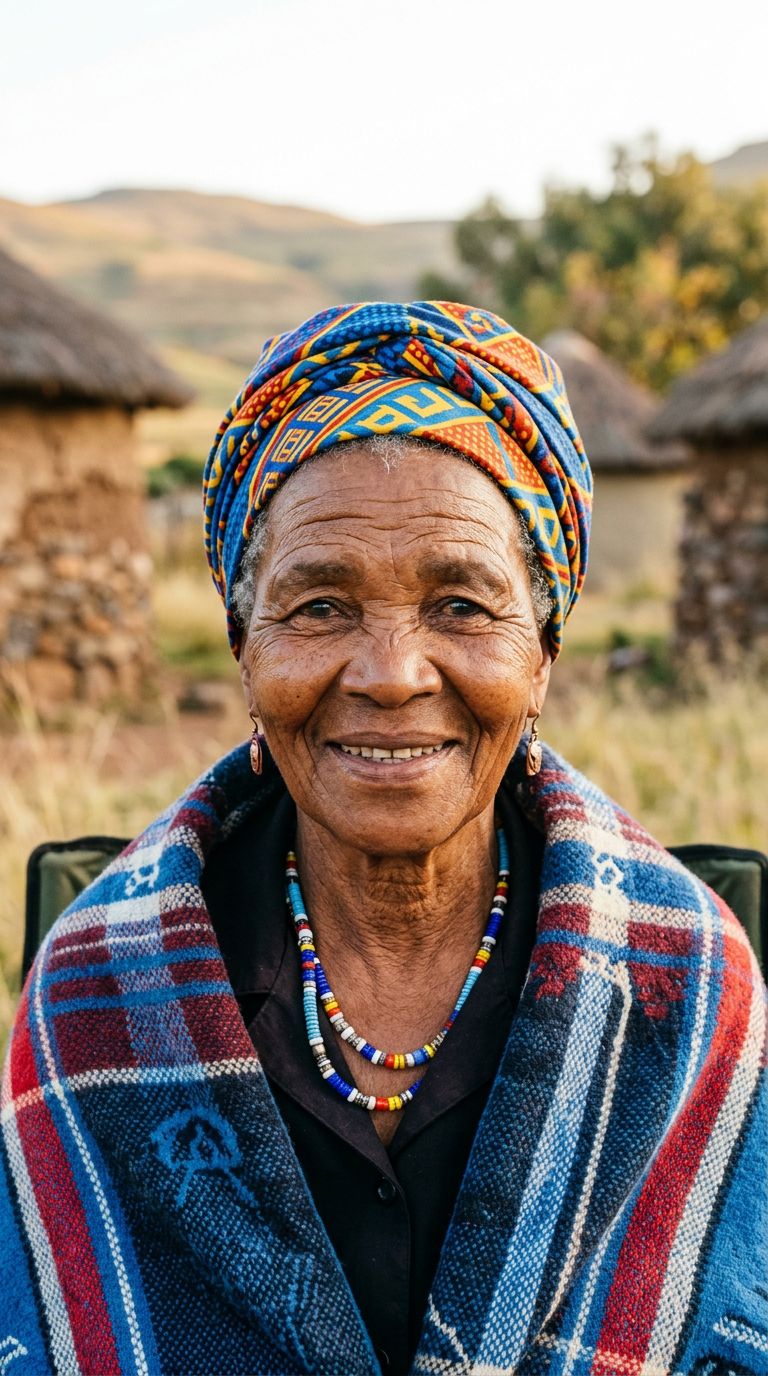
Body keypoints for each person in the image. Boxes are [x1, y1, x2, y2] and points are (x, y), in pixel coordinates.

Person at [1, 302, 765, 1376]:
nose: (392, 671)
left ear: (542, 652)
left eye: (461, 603)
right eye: (318, 607)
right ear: (241, 643)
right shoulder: (95, 993)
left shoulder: (690, 984)